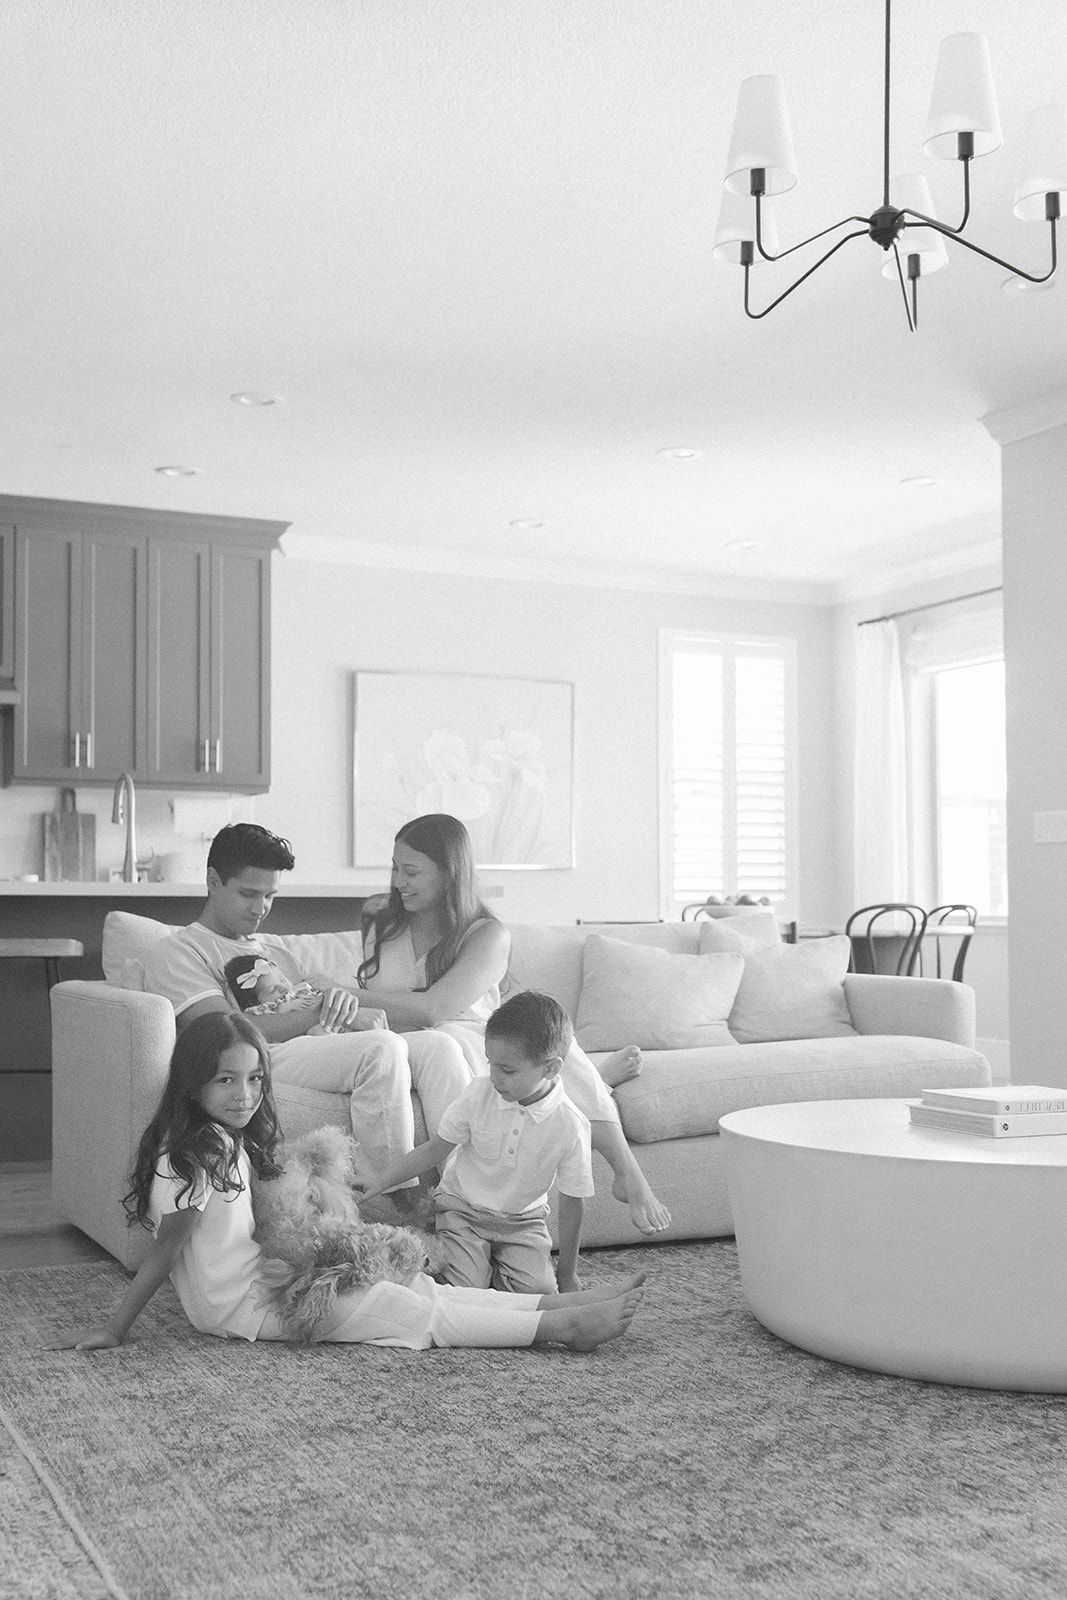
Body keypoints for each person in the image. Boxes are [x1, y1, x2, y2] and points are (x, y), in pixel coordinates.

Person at [44, 1013, 645, 1354]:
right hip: (245, 1308)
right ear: (192, 1083)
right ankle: (555, 1327)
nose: (245, 1096)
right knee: (404, 1309)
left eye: (254, 1079)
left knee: (406, 1281)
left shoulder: (224, 1142)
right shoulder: (190, 1161)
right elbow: (164, 1253)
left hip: (266, 1281)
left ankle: (555, 1302)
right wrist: (115, 1327)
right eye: (226, 1081)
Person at [355, 813, 672, 1235]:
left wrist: (344, 992)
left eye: (411, 871)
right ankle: (593, 1081)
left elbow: (434, 1008)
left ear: (451, 873)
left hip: (474, 1032)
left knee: (552, 1040)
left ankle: (627, 1170)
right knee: (461, 1047)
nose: (398, 882)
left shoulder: (487, 933)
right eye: (395, 868)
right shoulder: (379, 915)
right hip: (405, 1040)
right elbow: (406, 1010)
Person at [143, 822, 472, 1177]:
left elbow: (313, 1006)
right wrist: (333, 1012)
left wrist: (346, 1011)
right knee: (382, 1049)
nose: (261, 908)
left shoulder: (276, 950)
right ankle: (388, 1195)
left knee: (440, 1046)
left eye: (269, 895)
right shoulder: (182, 949)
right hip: (260, 1056)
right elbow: (227, 1034)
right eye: (248, 894)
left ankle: (466, 1194)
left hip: (314, 1044)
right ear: (212, 881)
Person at [361, 990, 592, 1295]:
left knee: (539, 1291)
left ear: (550, 1068)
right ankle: (475, 1263)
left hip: (523, 1222)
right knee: (466, 1290)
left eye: (507, 1070)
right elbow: (433, 1150)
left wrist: (568, 1274)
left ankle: (492, 1265)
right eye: (491, 1064)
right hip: (463, 1210)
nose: (494, 1077)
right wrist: (377, 1183)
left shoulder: (570, 1125)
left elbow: (573, 1203)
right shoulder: (478, 1094)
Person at [224, 952, 337, 1035]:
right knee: (316, 1030)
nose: (282, 987)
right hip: (310, 1030)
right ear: (253, 1002)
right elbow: (250, 1017)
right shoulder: (265, 1009)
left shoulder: (299, 990)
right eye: (272, 990)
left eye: (282, 979)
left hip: (333, 1020)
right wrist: (284, 1007)